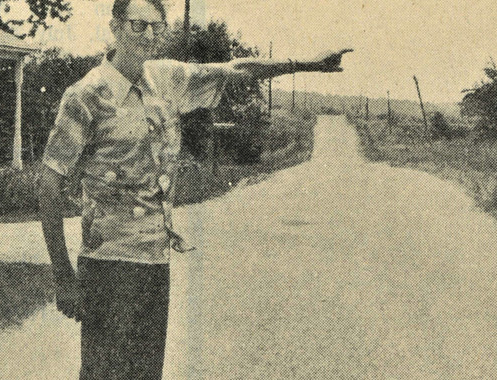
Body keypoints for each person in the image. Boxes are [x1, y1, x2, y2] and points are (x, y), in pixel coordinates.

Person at [37, 0, 352, 378]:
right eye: (139, 26)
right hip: (109, 267)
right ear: (115, 28)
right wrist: (63, 277)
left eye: (158, 27)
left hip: (155, 263)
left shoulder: (166, 79)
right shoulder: (86, 96)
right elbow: (48, 183)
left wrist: (306, 64)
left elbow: (236, 70)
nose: (150, 36)